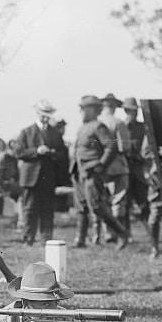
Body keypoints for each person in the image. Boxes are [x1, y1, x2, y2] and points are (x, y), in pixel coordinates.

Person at [70, 95, 130, 250]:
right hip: (79, 173)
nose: (81, 111)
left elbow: (112, 147)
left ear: (94, 110)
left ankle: (121, 233)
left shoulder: (99, 127)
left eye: (85, 108)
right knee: (82, 206)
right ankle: (80, 240)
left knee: (97, 206)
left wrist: (101, 165)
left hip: (91, 172)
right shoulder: (83, 127)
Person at [13, 100, 67, 245]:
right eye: (43, 115)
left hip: (48, 178)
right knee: (29, 209)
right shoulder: (26, 132)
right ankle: (28, 238)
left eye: (48, 115)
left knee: (47, 209)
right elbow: (18, 152)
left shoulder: (55, 133)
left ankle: (46, 239)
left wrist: (52, 152)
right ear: (37, 114)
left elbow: (62, 154)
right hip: (30, 178)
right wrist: (36, 151)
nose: (45, 118)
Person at [98, 93, 131, 244]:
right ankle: (118, 233)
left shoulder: (95, 123)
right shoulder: (118, 123)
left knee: (102, 201)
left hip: (100, 167)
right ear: (114, 107)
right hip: (117, 167)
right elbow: (124, 147)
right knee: (118, 201)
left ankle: (105, 234)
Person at [120, 97, 150, 238]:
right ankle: (126, 235)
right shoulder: (121, 127)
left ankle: (151, 234)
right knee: (125, 204)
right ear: (126, 111)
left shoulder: (143, 127)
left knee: (144, 202)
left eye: (135, 111)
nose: (134, 113)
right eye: (131, 111)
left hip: (139, 169)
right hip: (124, 169)